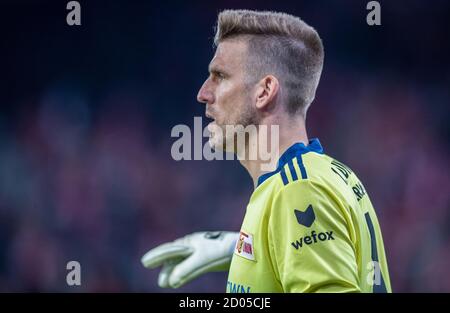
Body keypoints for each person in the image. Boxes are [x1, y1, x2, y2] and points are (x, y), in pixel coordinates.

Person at [141, 9, 391, 293]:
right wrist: (249, 248)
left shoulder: (298, 189)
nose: (203, 93)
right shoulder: (327, 174)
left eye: (219, 76)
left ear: (264, 91)